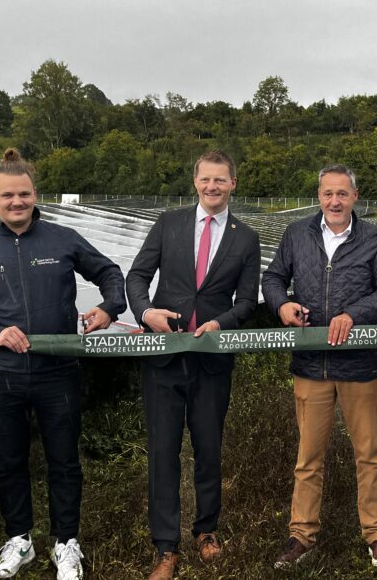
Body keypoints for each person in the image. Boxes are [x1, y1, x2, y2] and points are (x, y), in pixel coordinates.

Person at [0, 148, 126, 580]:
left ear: (35, 195)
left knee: (64, 460)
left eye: (24, 194)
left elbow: (110, 273)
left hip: (58, 372)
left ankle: (66, 543)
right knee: (9, 461)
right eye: (7, 195)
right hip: (2, 375)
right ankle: (20, 541)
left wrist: (109, 309)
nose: (16, 202)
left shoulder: (63, 239)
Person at [125, 150, 261, 578]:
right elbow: (136, 277)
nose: (212, 187)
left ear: (233, 184)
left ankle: (206, 531)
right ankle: (166, 547)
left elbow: (246, 302)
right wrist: (146, 314)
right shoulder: (169, 224)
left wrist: (222, 322)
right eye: (206, 179)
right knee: (163, 451)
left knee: (208, 448)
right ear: (195, 181)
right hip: (165, 359)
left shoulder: (246, 237)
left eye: (221, 180)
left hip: (212, 362)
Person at [261, 164, 377, 569]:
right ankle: (301, 536)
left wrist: (354, 314)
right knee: (308, 456)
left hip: (359, 364)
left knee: (369, 454)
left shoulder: (375, 239)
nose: (335, 201)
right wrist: (282, 304)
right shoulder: (296, 235)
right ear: (319, 196)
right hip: (311, 364)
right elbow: (273, 278)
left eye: (342, 194)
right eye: (328, 194)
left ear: (355, 197)